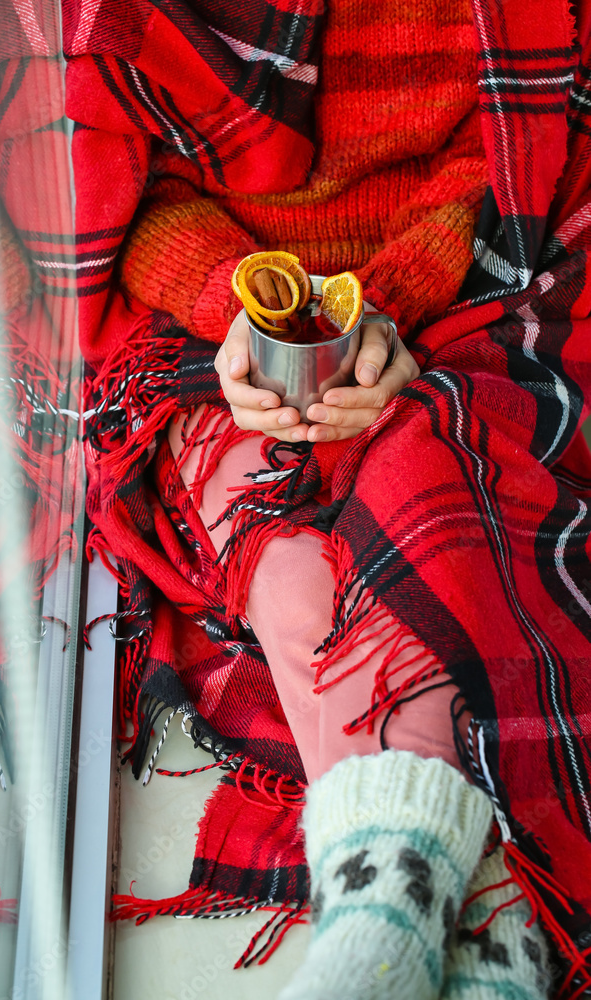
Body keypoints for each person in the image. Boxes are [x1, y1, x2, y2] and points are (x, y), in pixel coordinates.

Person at [69, 0, 591, 995]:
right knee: (258, 511)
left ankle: (394, 910)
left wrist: (386, 302)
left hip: (454, 289)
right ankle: (476, 908)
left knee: (429, 468)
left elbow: (495, 154)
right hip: (213, 330)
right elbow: (130, 184)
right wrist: (236, 314)